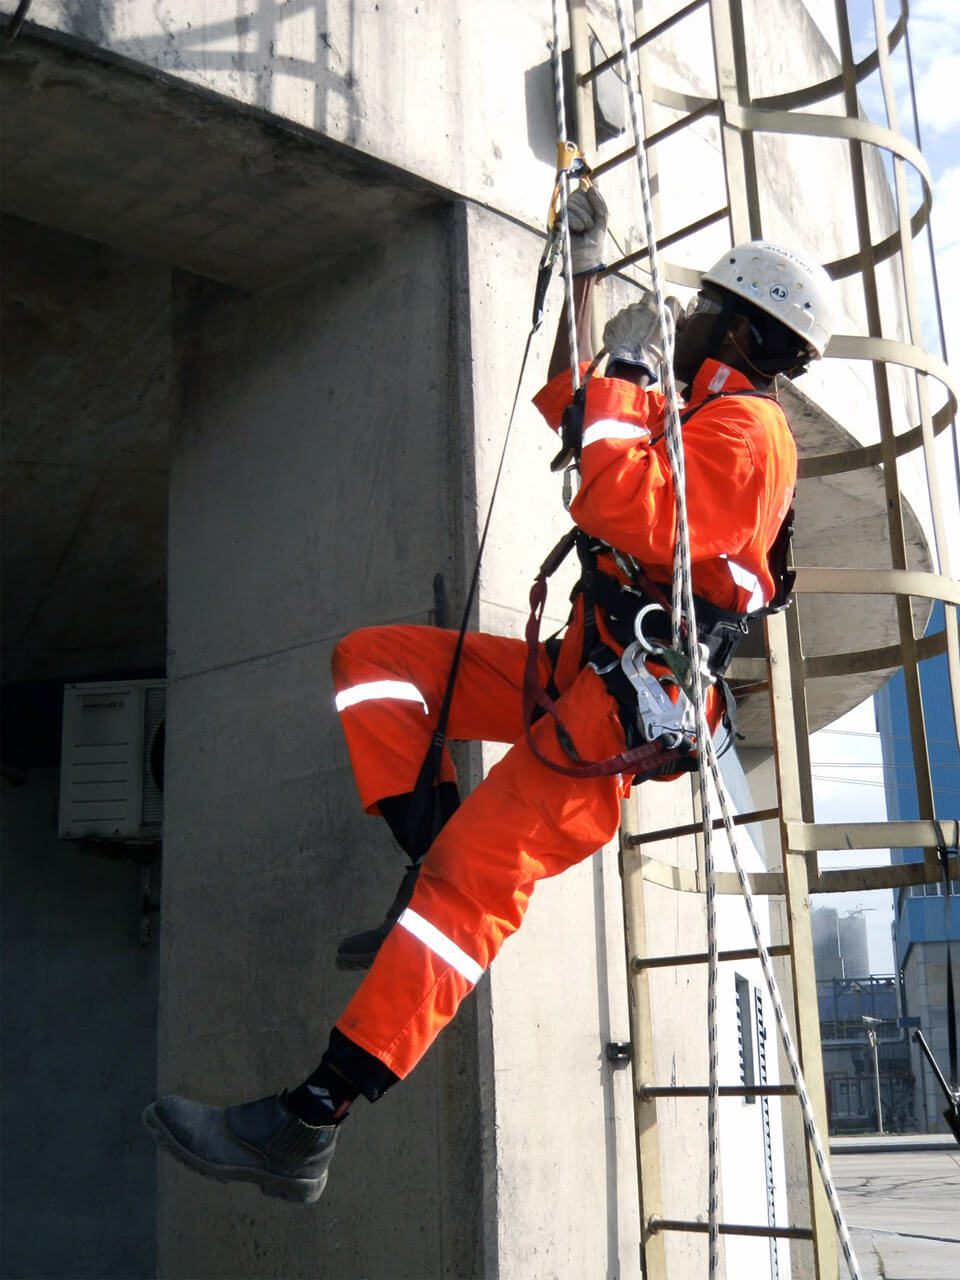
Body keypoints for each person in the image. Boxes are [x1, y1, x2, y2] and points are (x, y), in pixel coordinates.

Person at [142, 186, 836, 1204]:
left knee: (470, 886)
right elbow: (571, 394)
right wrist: (585, 276)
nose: (680, 324)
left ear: (738, 325)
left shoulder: (749, 432)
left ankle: (309, 1121)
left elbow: (616, 500)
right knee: (377, 663)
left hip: (615, 712)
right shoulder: (693, 407)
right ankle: (425, 849)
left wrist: (638, 380)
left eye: (697, 313)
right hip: (575, 673)